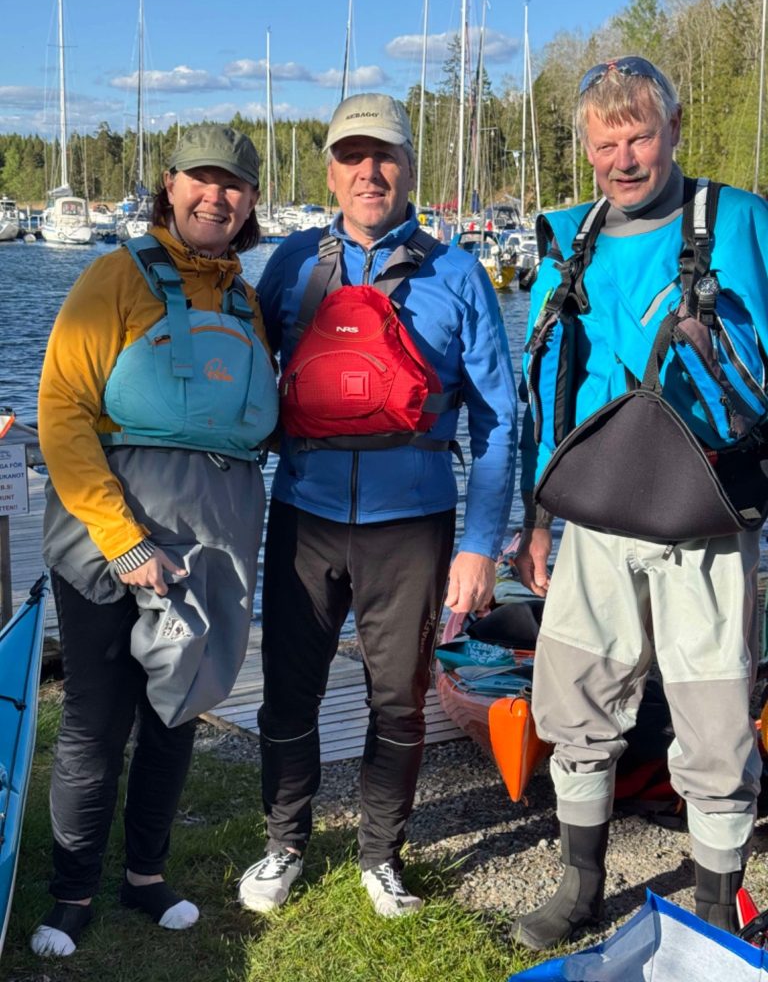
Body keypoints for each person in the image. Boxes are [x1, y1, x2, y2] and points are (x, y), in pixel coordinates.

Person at [237, 92, 517, 918]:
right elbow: (243, 384)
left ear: (409, 167)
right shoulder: (292, 263)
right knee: (290, 690)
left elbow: (501, 417)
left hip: (414, 525)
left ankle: (379, 853)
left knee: (400, 697)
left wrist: (482, 543)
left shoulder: (457, 271)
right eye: (353, 157)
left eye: (385, 155)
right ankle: (284, 843)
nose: (370, 172)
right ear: (330, 170)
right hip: (305, 513)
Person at [513, 57, 768, 949]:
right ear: (588, 150)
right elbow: (548, 382)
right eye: (606, 142)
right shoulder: (568, 238)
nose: (625, 159)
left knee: (714, 717)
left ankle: (712, 911)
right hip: (594, 515)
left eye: (641, 136)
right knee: (577, 701)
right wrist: (535, 516)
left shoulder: (739, 221)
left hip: (707, 509)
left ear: (675, 130)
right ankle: (580, 886)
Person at [32, 125, 276, 956]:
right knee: (98, 720)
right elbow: (62, 410)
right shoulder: (114, 275)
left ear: (250, 201)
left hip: (213, 538)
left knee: (178, 710)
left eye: (233, 184)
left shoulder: (246, 298)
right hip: (110, 537)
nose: (217, 196)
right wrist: (123, 540)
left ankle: (144, 876)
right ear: (170, 186)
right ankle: (69, 892)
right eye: (201, 180)